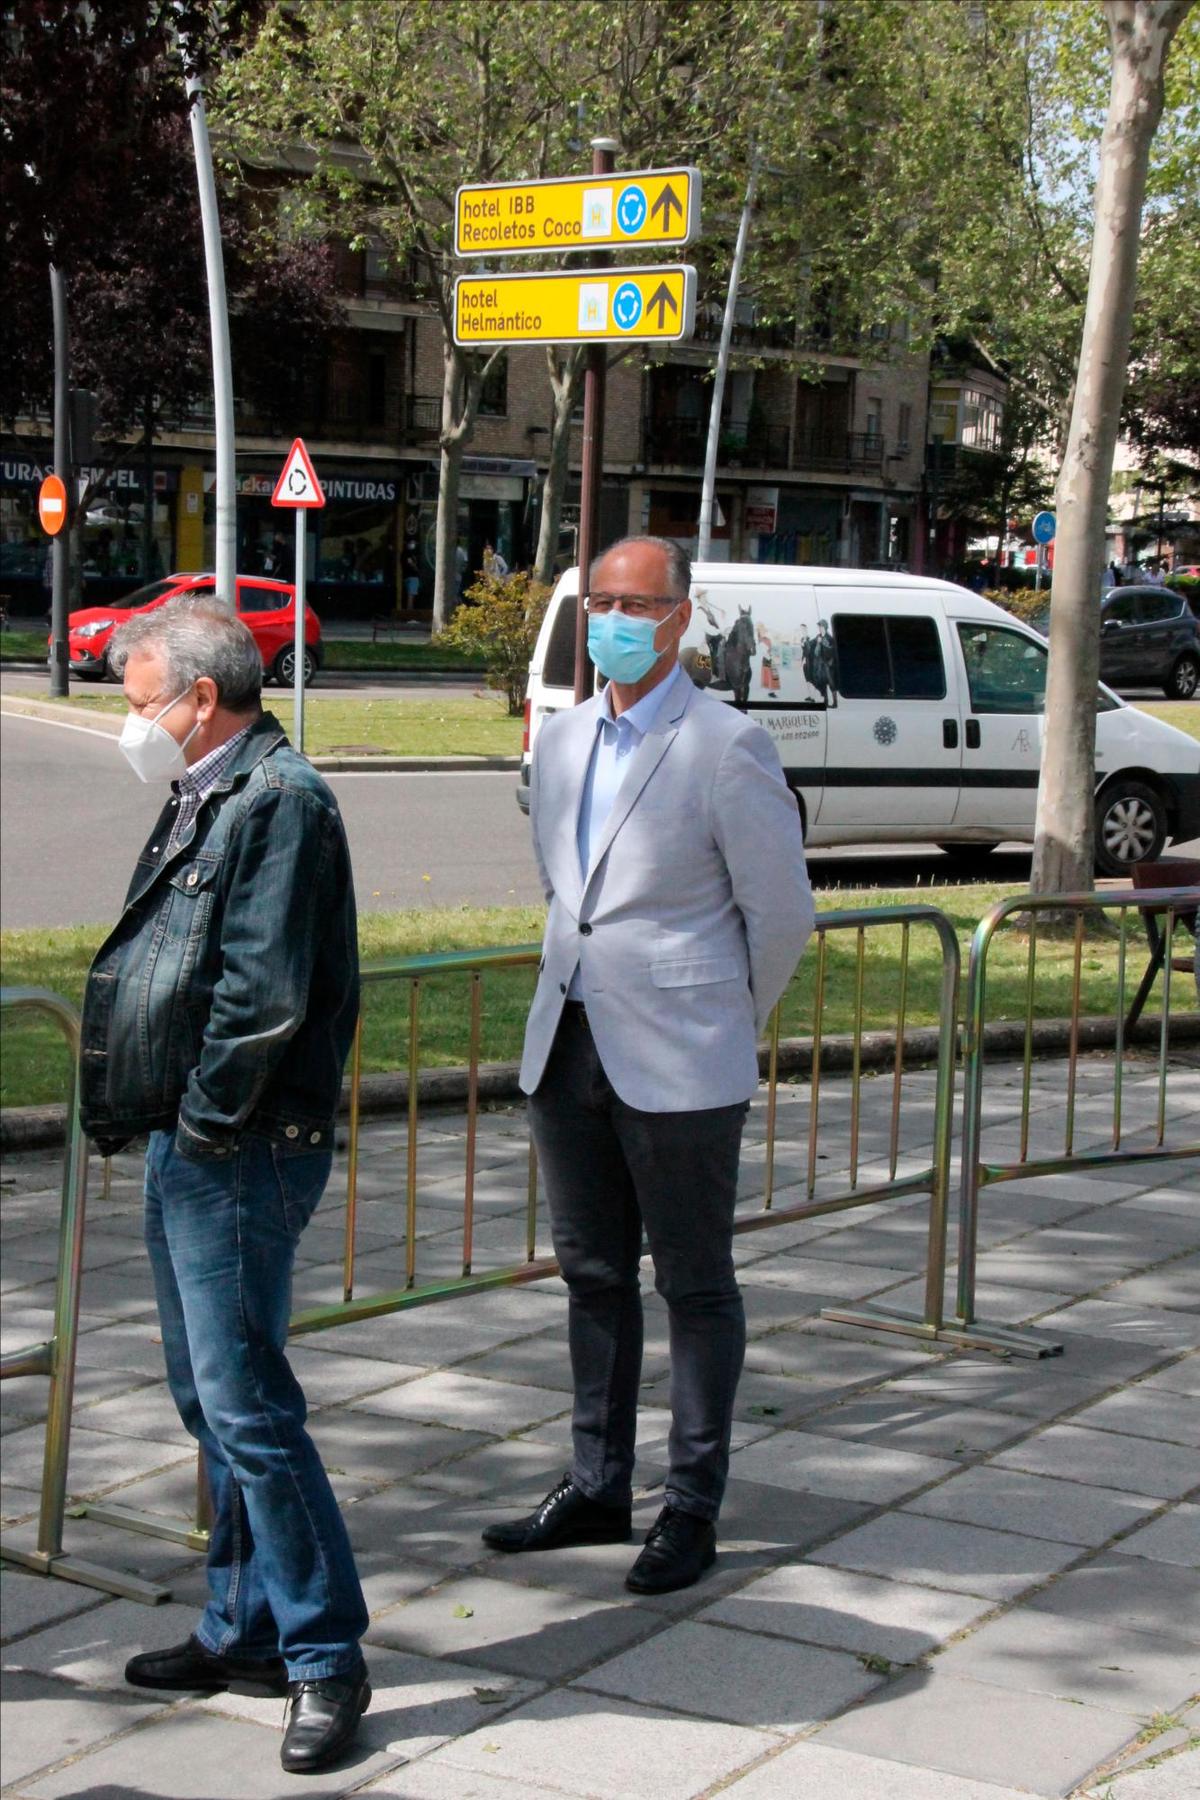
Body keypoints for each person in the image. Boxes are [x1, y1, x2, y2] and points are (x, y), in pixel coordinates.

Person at [483, 535, 814, 1594]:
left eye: (634, 603)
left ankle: (692, 1502)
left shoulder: (726, 745)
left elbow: (781, 918)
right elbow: (561, 887)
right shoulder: (566, 737)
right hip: (568, 1039)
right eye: (598, 602)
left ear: (679, 616)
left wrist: (716, 1012)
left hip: (681, 1060)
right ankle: (597, 1483)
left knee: (696, 1284)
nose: (612, 620)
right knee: (591, 1276)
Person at [78, 599, 371, 1774]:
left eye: (142, 699)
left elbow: (261, 996)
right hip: (190, 1139)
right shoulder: (208, 789)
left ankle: (325, 1656)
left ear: (204, 699)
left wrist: (200, 1126)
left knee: (249, 1407)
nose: (132, 721)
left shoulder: (282, 801)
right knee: (211, 1403)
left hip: (239, 1144)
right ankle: (241, 1625)